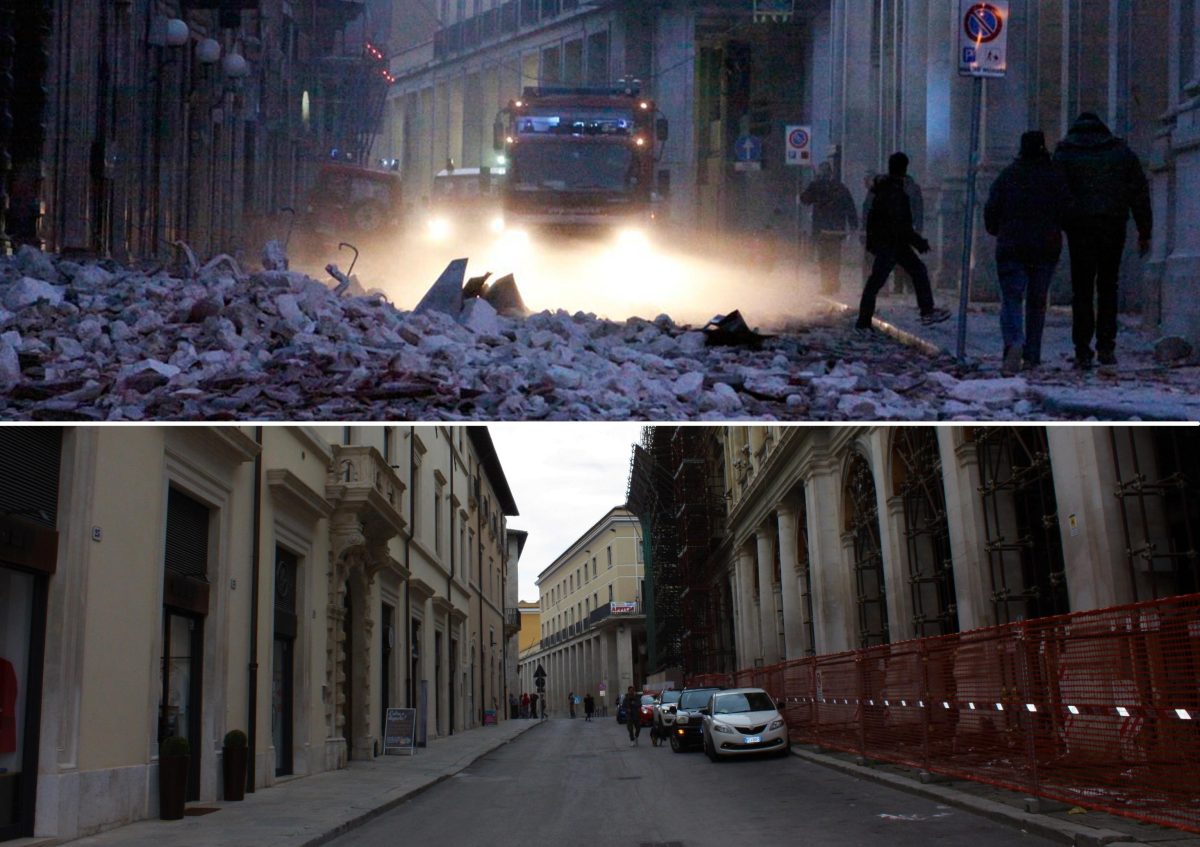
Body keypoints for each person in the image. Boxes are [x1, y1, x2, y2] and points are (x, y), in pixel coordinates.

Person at [1053, 112, 1152, 367]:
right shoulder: (1121, 153)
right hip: (1112, 225)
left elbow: (1057, 193)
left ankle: (1082, 349)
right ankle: (1106, 346)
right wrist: (1144, 230)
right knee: (1109, 286)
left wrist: (1060, 224)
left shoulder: (1065, 154)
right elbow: (1139, 192)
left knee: (1082, 288)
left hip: (1079, 228)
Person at [984, 131, 1074, 376]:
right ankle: (1032, 355)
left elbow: (991, 212)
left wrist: (998, 230)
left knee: (1012, 298)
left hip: (1012, 246)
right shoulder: (1054, 176)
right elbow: (1067, 211)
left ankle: (1014, 342)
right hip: (1045, 247)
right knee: (1037, 302)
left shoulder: (1007, 176)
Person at [856, 152, 951, 331]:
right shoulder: (893, 192)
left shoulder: (885, 188)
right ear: (904, 168)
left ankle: (926, 311)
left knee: (915, 271)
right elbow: (900, 223)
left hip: (892, 242)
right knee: (878, 281)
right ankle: (863, 322)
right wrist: (918, 242)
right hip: (891, 243)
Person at [801, 161, 859, 295]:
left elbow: (804, 199)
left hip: (822, 231)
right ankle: (834, 284)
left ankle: (827, 285)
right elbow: (850, 207)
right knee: (834, 258)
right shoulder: (840, 187)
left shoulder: (816, 186)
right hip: (837, 230)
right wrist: (853, 224)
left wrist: (811, 185)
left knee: (824, 259)